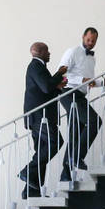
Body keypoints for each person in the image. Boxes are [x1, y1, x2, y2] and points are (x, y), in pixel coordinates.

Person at [58, 27, 105, 182]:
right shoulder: (72, 51)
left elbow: (89, 82)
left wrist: (104, 82)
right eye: (88, 39)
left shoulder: (92, 58)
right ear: (83, 37)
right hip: (69, 93)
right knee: (95, 121)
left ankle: (65, 174)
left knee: (76, 132)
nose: (90, 43)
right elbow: (60, 75)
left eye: (94, 41)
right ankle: (76, 157)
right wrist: (81, 81)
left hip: (80, 95)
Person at [20, 42, 66, 198]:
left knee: (41, 152)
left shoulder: (38, 67)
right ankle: (27, 171)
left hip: (38, 116)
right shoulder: (36, 66)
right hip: (41, 116)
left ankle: (31, 191)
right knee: (56, 143)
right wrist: (59, 73)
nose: (50, 53)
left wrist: (58, 87)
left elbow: (45, 89)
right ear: (40, 52)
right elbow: (46, 87)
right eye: (47, 50)